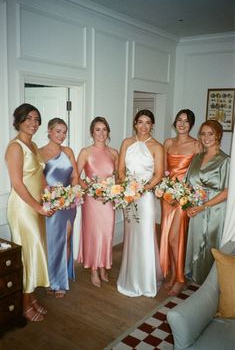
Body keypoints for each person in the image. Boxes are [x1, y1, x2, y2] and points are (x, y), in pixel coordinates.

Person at [5, 103, 54, 322]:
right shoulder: (15, 147)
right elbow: (17, 184)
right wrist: (38, 207)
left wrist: (50, 194)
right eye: (29, 119)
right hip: (23, 209)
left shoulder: (33, 145)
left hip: (37, 207)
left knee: (35, 252)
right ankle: (24, 305)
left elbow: (40, 177)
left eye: (36, 119)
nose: (33, 123)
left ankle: (31, 297)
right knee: (27, 255)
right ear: (18, 121)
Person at [117, 109, 163, 297]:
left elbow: (159, 175)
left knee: (145, 235)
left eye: (148, 122)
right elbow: (120, 169)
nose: (144, 126)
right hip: (129, 197)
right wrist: (127, 187)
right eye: (140, 122)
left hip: (145, 197)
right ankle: (130, 277)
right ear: (135, 124)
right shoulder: (126, 143)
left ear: (152, 125)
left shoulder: (157, 146)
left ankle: (146, 281)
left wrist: (140, 190)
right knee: (131, 236)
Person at [160, 109, 201, 296]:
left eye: (186, 121)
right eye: (179, 120)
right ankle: (172, 275)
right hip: (168, 197)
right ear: (175, 122)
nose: (182, 124)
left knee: (175, 238)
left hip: (184, 198)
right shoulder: (168, 142)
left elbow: (199, 175)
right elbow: (163, 170)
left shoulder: (196, 145)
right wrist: (162, 189)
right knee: (167, 237)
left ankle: (180, 278)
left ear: (191, 125)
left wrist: (190, 195)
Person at [185, 119, 230, 285]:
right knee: (196, 241)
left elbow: (227, 191)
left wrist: (203, 206)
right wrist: (189, 204)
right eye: (203, 134)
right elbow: (189, 184)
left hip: (214, 209)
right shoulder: (197, 158)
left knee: (210, 244)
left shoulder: (225, 160)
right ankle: (196, 277)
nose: (206, 137)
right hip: (196, 206)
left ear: (218, 135)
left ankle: (210, 283)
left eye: (210, 133)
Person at [77, 117, 118, 287]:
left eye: (104, 129)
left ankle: (104, 266)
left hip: (108, 200)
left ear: (108, 132)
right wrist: (91, 190)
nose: (101, 133)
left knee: (107, 233)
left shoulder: (114, 153)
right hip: (92, 200)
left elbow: (120, 177)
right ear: (92, 132)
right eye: (97, 129)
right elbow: (76, 176)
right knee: (93, 234)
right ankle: (94, 268)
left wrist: (114, 191)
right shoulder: (85, 152)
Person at [39, 118, 78, 298]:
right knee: (53, 243)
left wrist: (71, 194)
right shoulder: (39, 153)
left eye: (64, 132)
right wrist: (50, 197)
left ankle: (62, 281)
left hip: (69, 204)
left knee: (66, 240)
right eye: (58, 131)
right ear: (49, 131)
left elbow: (75, 176)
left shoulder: (68, 151)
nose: (61, 135)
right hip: (51, 204)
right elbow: (39, 182)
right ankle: (51, 279)